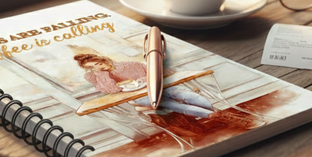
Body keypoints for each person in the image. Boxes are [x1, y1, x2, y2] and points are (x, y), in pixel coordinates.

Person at [74, 53, 214, 118]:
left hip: (159, 85)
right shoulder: (98, 77)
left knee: (185, 94)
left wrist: (143, 80)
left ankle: (215, 114)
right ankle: (212, 116)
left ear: (103, 59)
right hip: (138, 97)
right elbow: (112, 89)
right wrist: (101, 74)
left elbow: (156, 71)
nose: (99, 68)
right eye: (92, 67)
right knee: (165, 103)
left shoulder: (130, 65)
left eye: (98, 63)